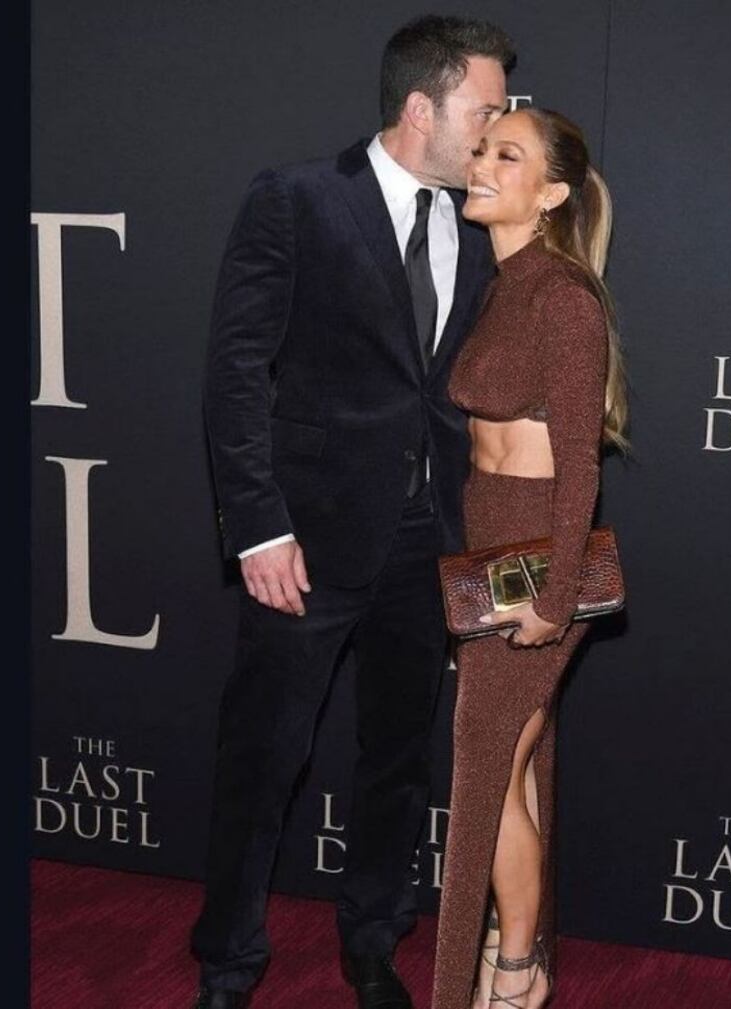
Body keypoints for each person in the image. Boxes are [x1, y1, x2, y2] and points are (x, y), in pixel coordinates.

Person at [190, 16, 516, 1009]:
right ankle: (227, 961)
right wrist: (257, 524)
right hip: (306, 539)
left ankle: (372, 939)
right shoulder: (297, 200)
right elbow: (235, 372)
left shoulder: (481, 221)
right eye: (484, 109)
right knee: (263, 757)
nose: (498, 126)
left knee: (397, 760)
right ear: (421, 108)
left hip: (429, 540)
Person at [431, 107, 628, 1009]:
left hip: (536, 551)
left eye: (506, 155)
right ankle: (517, 951)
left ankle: (514, 971)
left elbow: (580, 462)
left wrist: (553, 595)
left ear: (550, 193)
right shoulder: (500, 284)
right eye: (480, 149)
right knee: (508, 764)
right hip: (484, 539)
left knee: (484, 772)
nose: (479, 164)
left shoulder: (562, 296)